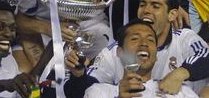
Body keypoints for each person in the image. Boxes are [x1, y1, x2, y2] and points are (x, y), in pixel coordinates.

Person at [86, 0, 209, 95]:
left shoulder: (183, 39)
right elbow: (88, 84)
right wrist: (79, 75)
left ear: (172, 15)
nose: (146, 10)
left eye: (155, 6)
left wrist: (180, 73)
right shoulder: (117, 50)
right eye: (142, 4)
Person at [65, 19, 199, 97]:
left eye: (150, 40)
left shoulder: (182, 93)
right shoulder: (99, 92)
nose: (144, 43)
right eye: (135, 39)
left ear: (156, 56)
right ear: (119, 52)